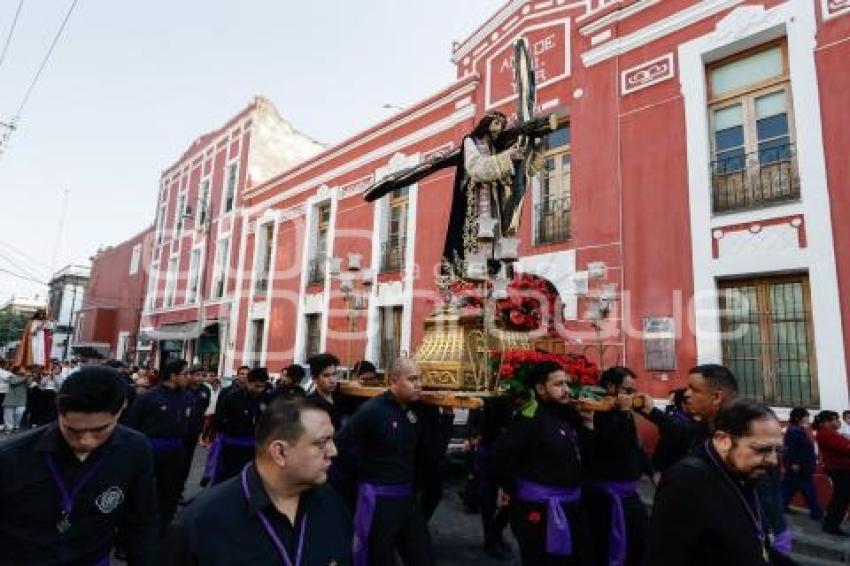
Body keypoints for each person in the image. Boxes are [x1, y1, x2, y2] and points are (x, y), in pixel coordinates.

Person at [163, 398, 353, 565]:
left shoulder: (332, 504)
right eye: (321, 443)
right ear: (280, 452)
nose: (333, 451)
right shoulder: (201, 523)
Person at [0, 365, 158, 565]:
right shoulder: (11, 457)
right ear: (59, 412)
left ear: (120, 410)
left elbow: (142, 522)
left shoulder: (134, 449)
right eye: (73, 431)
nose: (86, 441)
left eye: (99, 430)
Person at [643, 398, 796, 566]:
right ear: (723, 440)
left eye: (778, 450)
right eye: (762, 449)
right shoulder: (685, 483)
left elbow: (756, 547)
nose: (773, 460)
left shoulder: (744, 473)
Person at [335, 357, 435, 566]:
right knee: (378, 558)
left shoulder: (414, 410)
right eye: (412, 379)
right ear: (393, 381)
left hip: (407, 499)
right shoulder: (372, 411)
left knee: (422, 556)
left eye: (420, 378)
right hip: (378, 502)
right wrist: (359, 477)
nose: (419, 384)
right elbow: (340, 445)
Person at [493, 360, 591, 566]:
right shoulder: (528, 419)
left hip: (571, 506)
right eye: (558, 384)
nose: (566, 390)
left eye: (566, 384)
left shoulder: (567, 415)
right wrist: (516, 492)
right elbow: (501, 457)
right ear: (540, 388)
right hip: (538, 510)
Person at [584, 366, 650, 566]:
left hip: (628, 493)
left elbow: (634, 446)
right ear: (611, 387)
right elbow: (615, 445)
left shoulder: (624, 412)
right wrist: (622, 414)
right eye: (627, 391)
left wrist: (650, 470)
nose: (631, 396)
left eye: (633, 391)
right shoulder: (598, 412)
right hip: (606, 498)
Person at [125, 359, 193, 533]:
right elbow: (132, 425)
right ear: (173, 376)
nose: (188, 377)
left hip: (176, 453)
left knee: (171, 492)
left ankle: (163, 529)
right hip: (151, 452)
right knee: (144, 493)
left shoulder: (186, 396)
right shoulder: (149, 397)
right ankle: (132, 534)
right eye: (185, 374)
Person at [211, 366, 269, 484]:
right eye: (257, 386)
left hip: (255, 449)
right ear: (248, 382)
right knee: (229, 480)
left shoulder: (266, 399)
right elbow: (218, 420)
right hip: (233, 447)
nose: (260, 390)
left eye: (263, 386)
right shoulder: (232, 398)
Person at [781, 407, 823, 521]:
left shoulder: (799, 429)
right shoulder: (794, 431)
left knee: (788, 488)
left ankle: (781, 506)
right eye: (806, 416)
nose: (807, 419)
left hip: (801, 465)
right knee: (808, 489)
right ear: (798, 418)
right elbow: (790, 449)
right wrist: (793, 463)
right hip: (799, 466)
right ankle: (816, 512)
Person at [814, 410, 850, 536]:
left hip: (840, 468)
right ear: (826, 422)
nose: (838, 422)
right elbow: (846, 448)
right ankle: (832, 525)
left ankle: (830, 523)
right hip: (839, 469)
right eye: (835, 419)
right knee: (842, 498)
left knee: (839, 497)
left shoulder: (830, 433)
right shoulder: (826, 434)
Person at [180, 367, 210, 492]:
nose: (200, 378)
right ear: (190, 375)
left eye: (202, 375)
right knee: (176, 460)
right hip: (179, 430)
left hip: (194, 430)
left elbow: (203, 408)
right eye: (197, 375)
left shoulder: (205, 390)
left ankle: (180, 488)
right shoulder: (182, 388)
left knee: (187, 461)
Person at [651, 387, 694, 474]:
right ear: (683, 404)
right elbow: (665, 448)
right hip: (672, 468)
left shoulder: (689, 419)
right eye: (691, 401)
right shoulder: (675, 422)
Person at [305, 353, 346, 431]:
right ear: (314, 379)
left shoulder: (340, 397)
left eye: (334, 374)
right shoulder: (311, 405)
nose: (332, 380)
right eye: (326, 376)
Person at [3, 366, 28, 432]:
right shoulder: (11, 376)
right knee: (8, 414)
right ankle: (9, 428)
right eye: (22, 369)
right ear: (17, 370)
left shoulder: (27, 377)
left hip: (21, 399)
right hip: (11, 398)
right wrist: (25, 377)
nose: (24, 370)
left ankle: (16, 425)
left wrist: (28, 376)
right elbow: (13, 382)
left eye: (24, 368)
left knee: (19, 412)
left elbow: (29, 384)